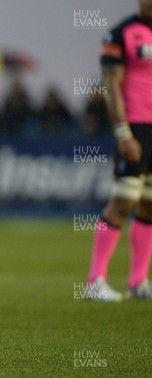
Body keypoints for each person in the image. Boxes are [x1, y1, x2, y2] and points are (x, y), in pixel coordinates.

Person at [84, 0, 152, 301]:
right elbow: (111, 84)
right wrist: (123, 132)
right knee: (123, 201)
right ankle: (95, 280)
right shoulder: (120, 34)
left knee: (150, 204)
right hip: (135, 128)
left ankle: (138, 282)